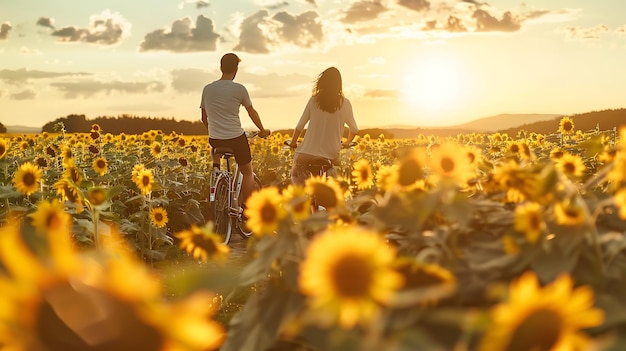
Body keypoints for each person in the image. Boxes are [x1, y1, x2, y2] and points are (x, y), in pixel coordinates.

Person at [200, 52, 270, 210]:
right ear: (236, 68)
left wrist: (214, 130)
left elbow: (204, 118)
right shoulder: (239, 89)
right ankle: (247, 207)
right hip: (236, 138)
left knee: (214, 146)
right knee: (247, 172)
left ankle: (216, 169)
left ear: (220, 67)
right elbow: (252, 112)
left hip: (216, 138)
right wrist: (262, 130)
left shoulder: (207, 89)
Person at [288, 67, 359, 185]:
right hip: (331, 154)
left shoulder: (314, 100)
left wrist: (293, 143)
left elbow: (300, 126)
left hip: (307, 153)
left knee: (295, 174)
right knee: (335, 178)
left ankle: (301, 199)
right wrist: (346, 143)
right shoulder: (345, 103)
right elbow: (355, 129)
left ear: (322, 82)